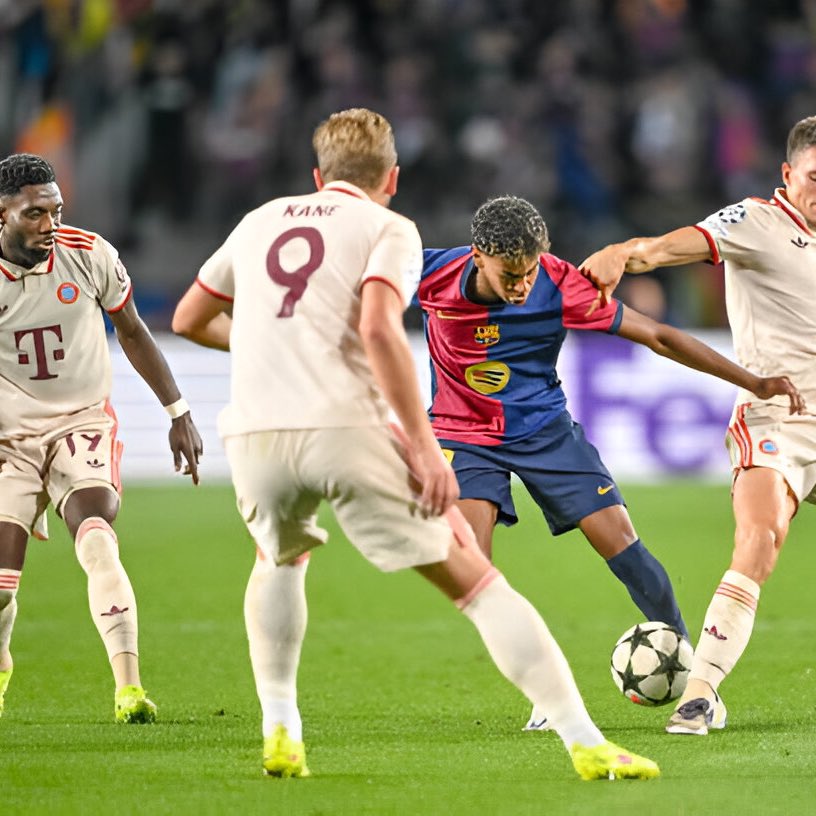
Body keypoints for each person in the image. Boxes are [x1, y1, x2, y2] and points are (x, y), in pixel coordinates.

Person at [171, 107, 660, 781]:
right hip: (343, 425)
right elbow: (378, 330)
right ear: (391, 178)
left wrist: (271, 346)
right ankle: (584, 740)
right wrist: (425, 447)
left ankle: (281, 726)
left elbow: (188, 319)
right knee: (479, 585)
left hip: (255, 430)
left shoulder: (258, 221)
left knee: (277, 561)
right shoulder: (388, 228)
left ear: (317, 175)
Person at [416, 194, 801, 731]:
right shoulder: (427, 271)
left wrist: (753, 382)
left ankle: (691, 670)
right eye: (511, 275)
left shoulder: (558, 284)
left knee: (621, 543)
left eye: (529, 272)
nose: (523, 285)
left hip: (545, 432)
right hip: (463, 436)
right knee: (476, 575)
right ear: (478, 255)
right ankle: (547, 692)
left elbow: (659, 337)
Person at [578, 114, 816, 736]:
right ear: (788, 175)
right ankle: (701, 694)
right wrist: (622, 253)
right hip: (778, 419)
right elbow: (663, 248)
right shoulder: (755, 223)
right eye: (815, 177)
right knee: (760, 539)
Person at [0, 153, 203, 724]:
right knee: (2, 584)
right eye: (35, 214)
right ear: (2, 215)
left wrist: (177, 410)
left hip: (81, 423)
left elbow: (133, 329)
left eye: (56, 211)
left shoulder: (88, 254)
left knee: (96, 537)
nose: (50, 225)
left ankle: (129, 689)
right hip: (9, 436)